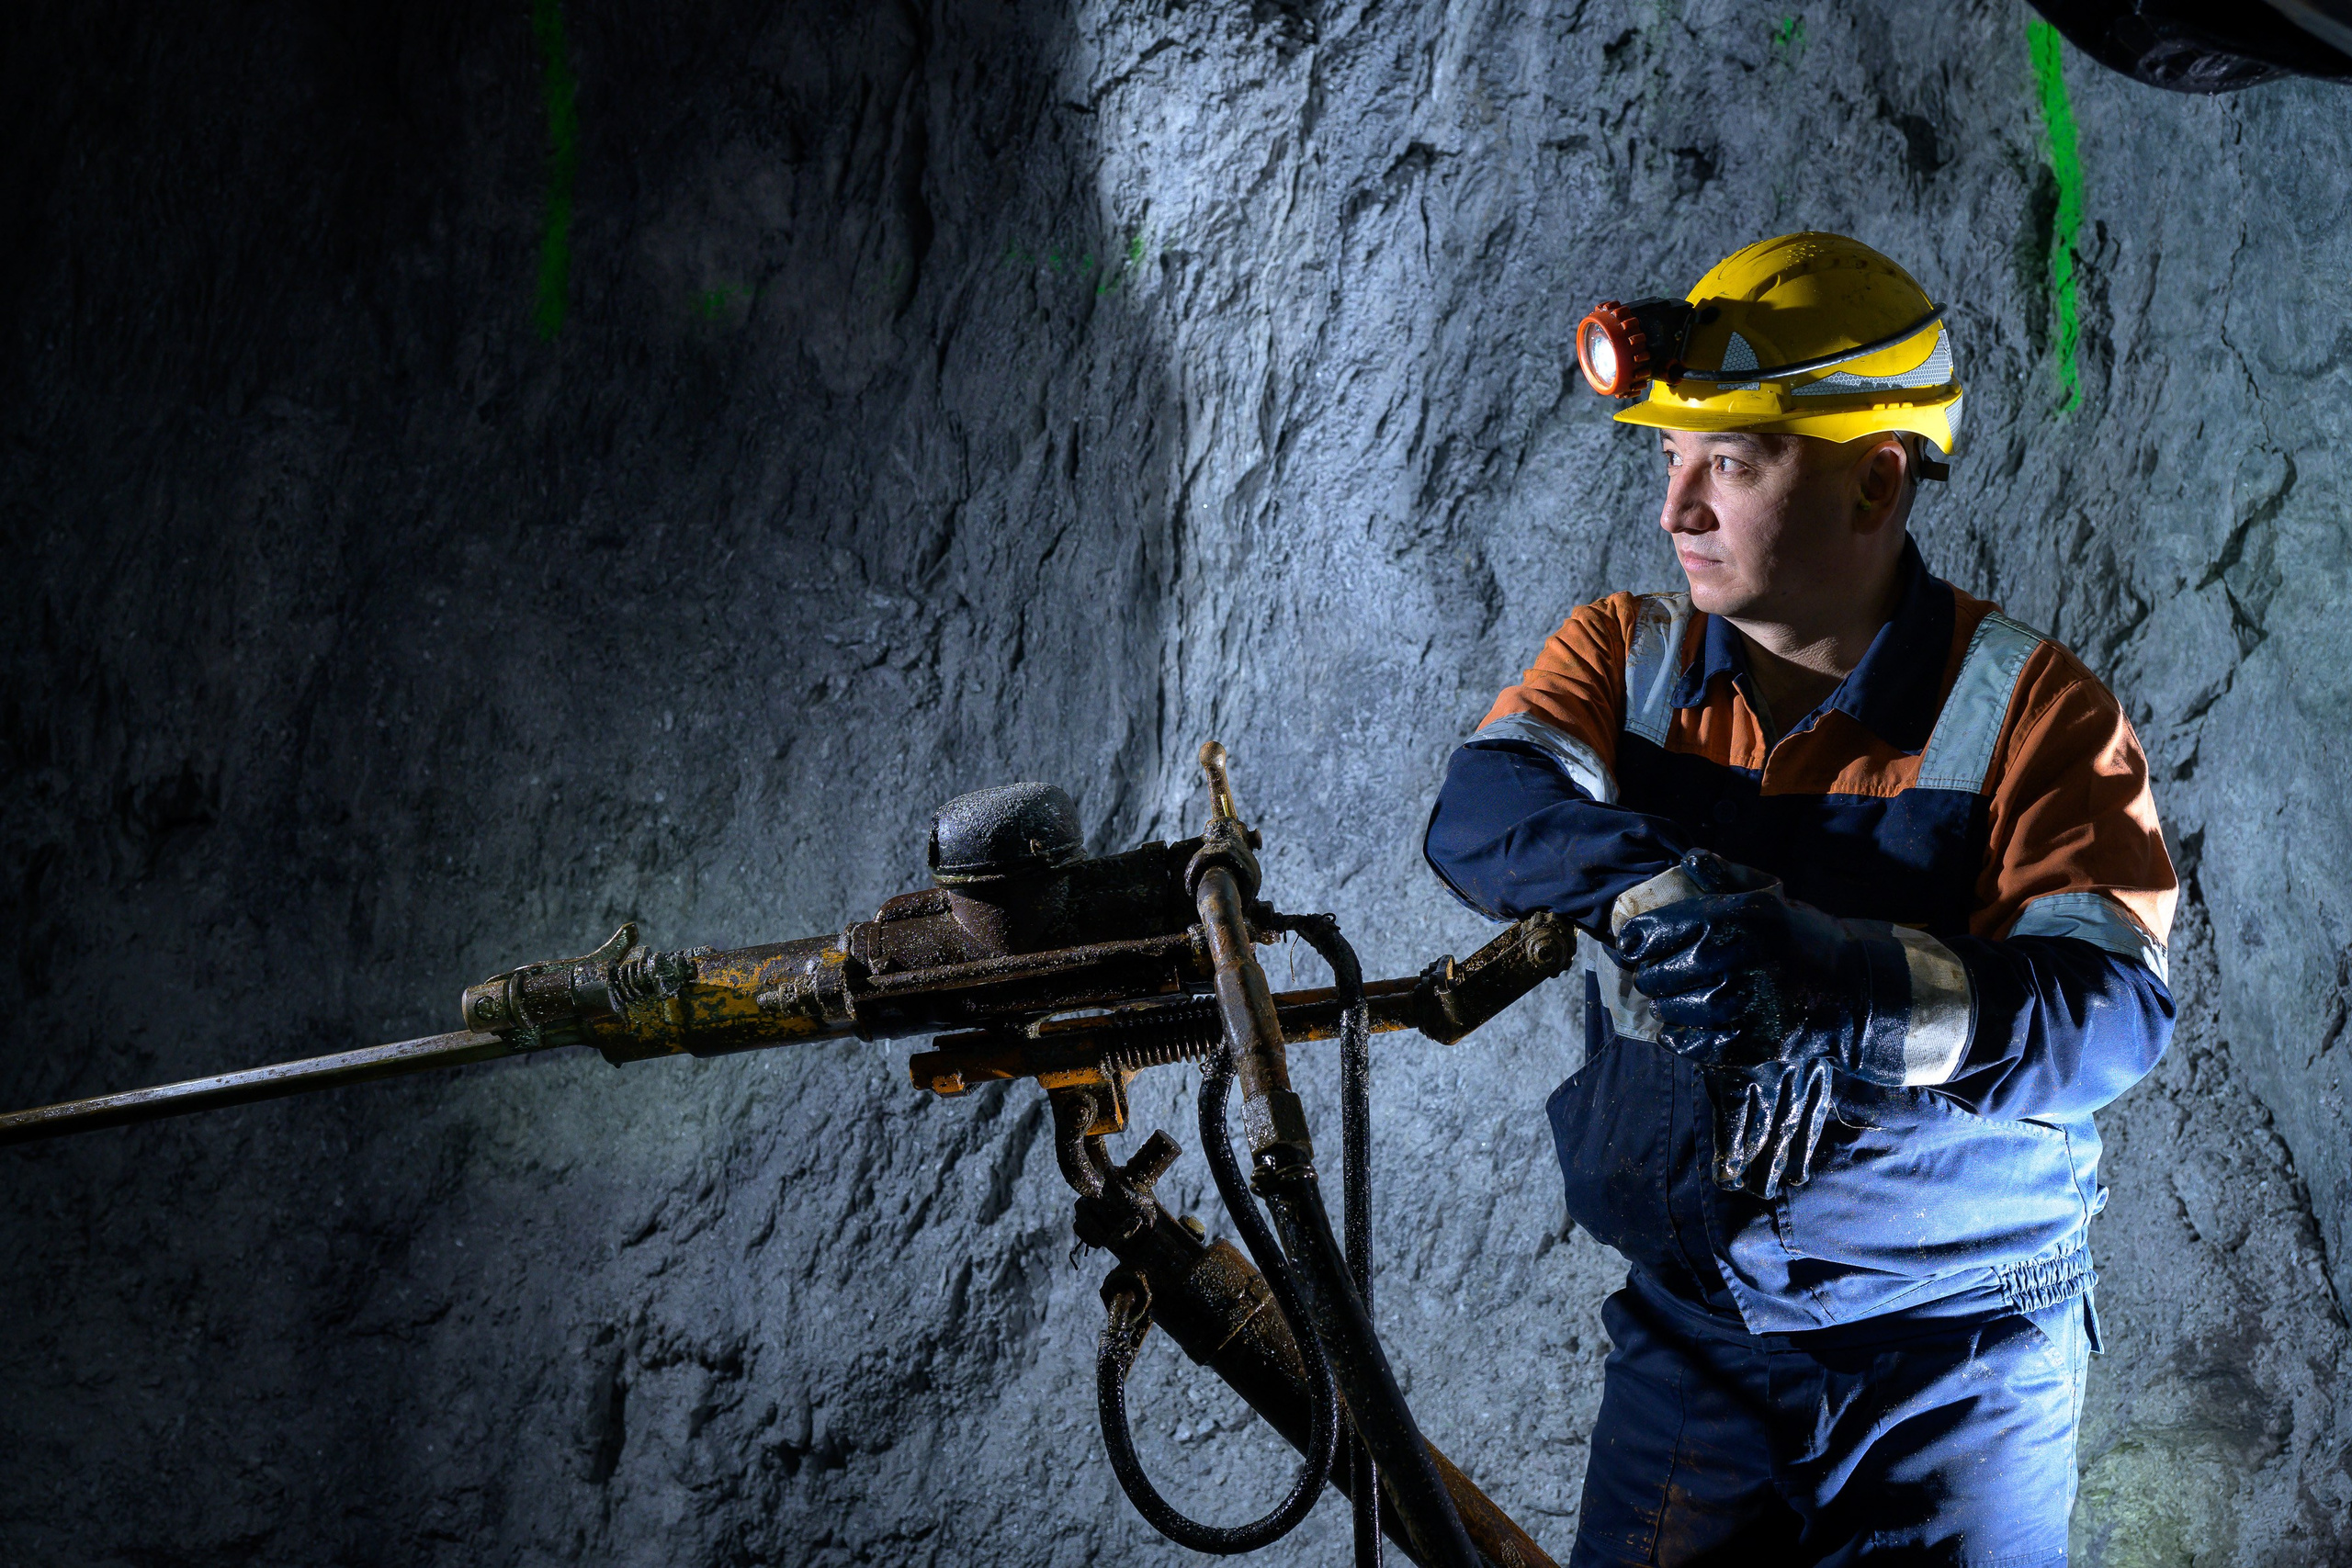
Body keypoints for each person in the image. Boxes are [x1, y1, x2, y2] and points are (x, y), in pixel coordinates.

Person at [1423, 232, 2176, 1564]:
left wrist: (1846, 984)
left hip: (1958, 1356)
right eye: (1670, 458)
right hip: (1698, 1337)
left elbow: (2108, 1013)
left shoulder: (2034, 711)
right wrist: (1660, 889)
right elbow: (1483, 808)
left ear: (1874, 482)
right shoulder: (1623, 653)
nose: (1678, 510)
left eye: (1731, 459)